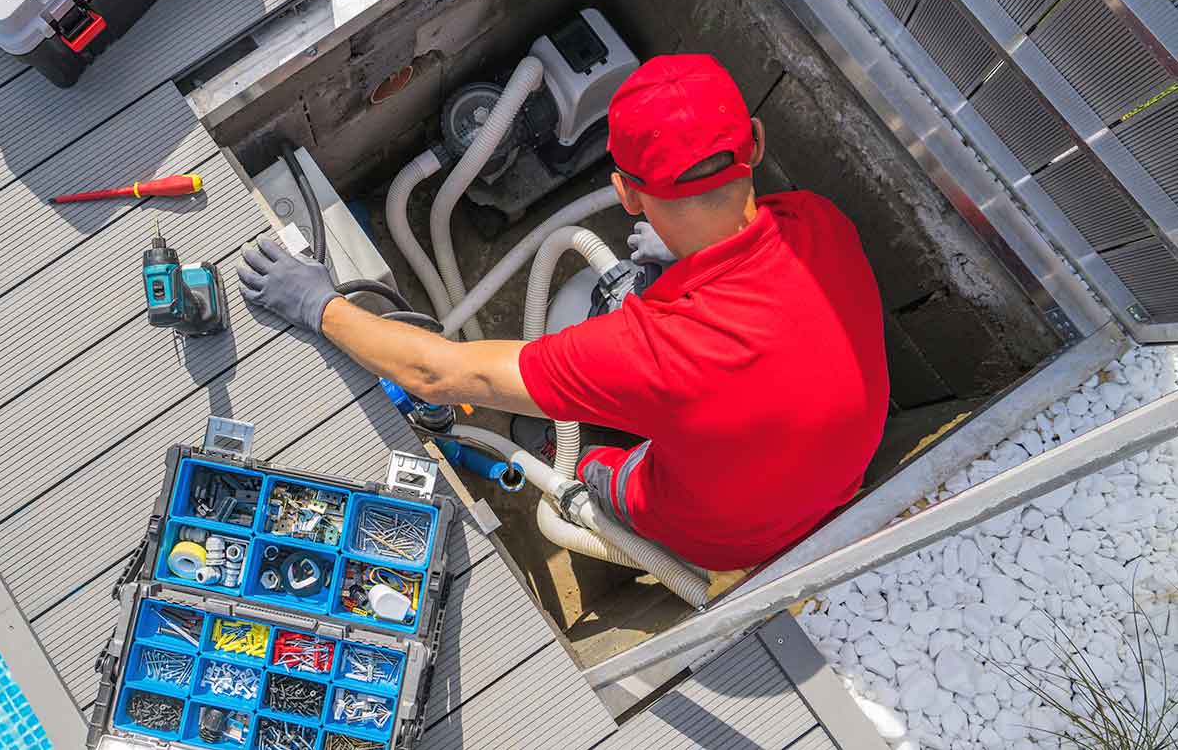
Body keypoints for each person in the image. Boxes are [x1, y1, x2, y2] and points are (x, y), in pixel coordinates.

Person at [239, 54, 889, 572]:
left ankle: (554, 451)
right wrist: (680, 263)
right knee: (622, 321)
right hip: (837, 480)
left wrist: (317, 303)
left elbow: (437, 375)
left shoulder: (651, 352)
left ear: (627, 194)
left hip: (724, 537)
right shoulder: (817, 223)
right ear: (752, 144)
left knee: (596, 459)